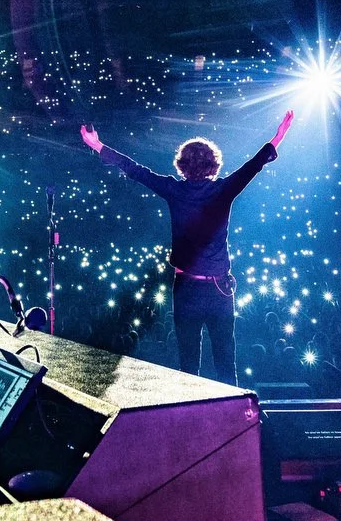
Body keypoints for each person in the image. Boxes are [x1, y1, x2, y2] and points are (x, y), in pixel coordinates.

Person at [80, 111, 293, 385]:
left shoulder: (174, 190)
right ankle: (232, 421)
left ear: (182, 166)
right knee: (226, 364)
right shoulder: (223, 190)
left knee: (188, 365)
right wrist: (280, 135)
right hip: (219, 289)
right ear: (214, 165)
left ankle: (192, 421)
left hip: (187, 288)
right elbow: (254, 164)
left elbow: (136, 170)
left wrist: (98, 145)